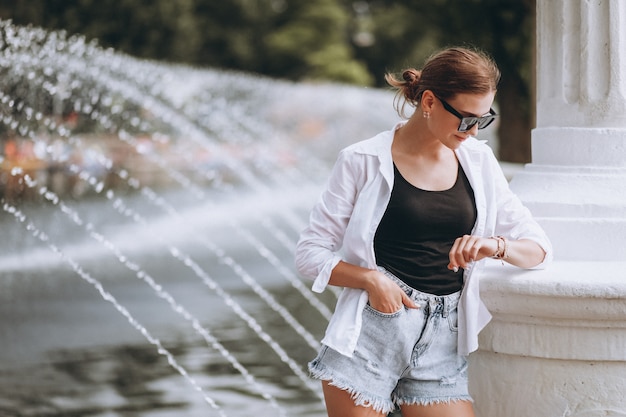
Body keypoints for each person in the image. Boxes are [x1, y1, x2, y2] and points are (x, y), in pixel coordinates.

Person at [294, 46, 553, 417]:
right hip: (369, 337)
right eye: (465, 119)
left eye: (484, 119)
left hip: (442, 344)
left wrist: (493, 246)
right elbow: (310, 253)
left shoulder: (479, 162)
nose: (473, 131)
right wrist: (370, 279)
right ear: (429, 101)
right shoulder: (362, 160)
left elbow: (538, 248)